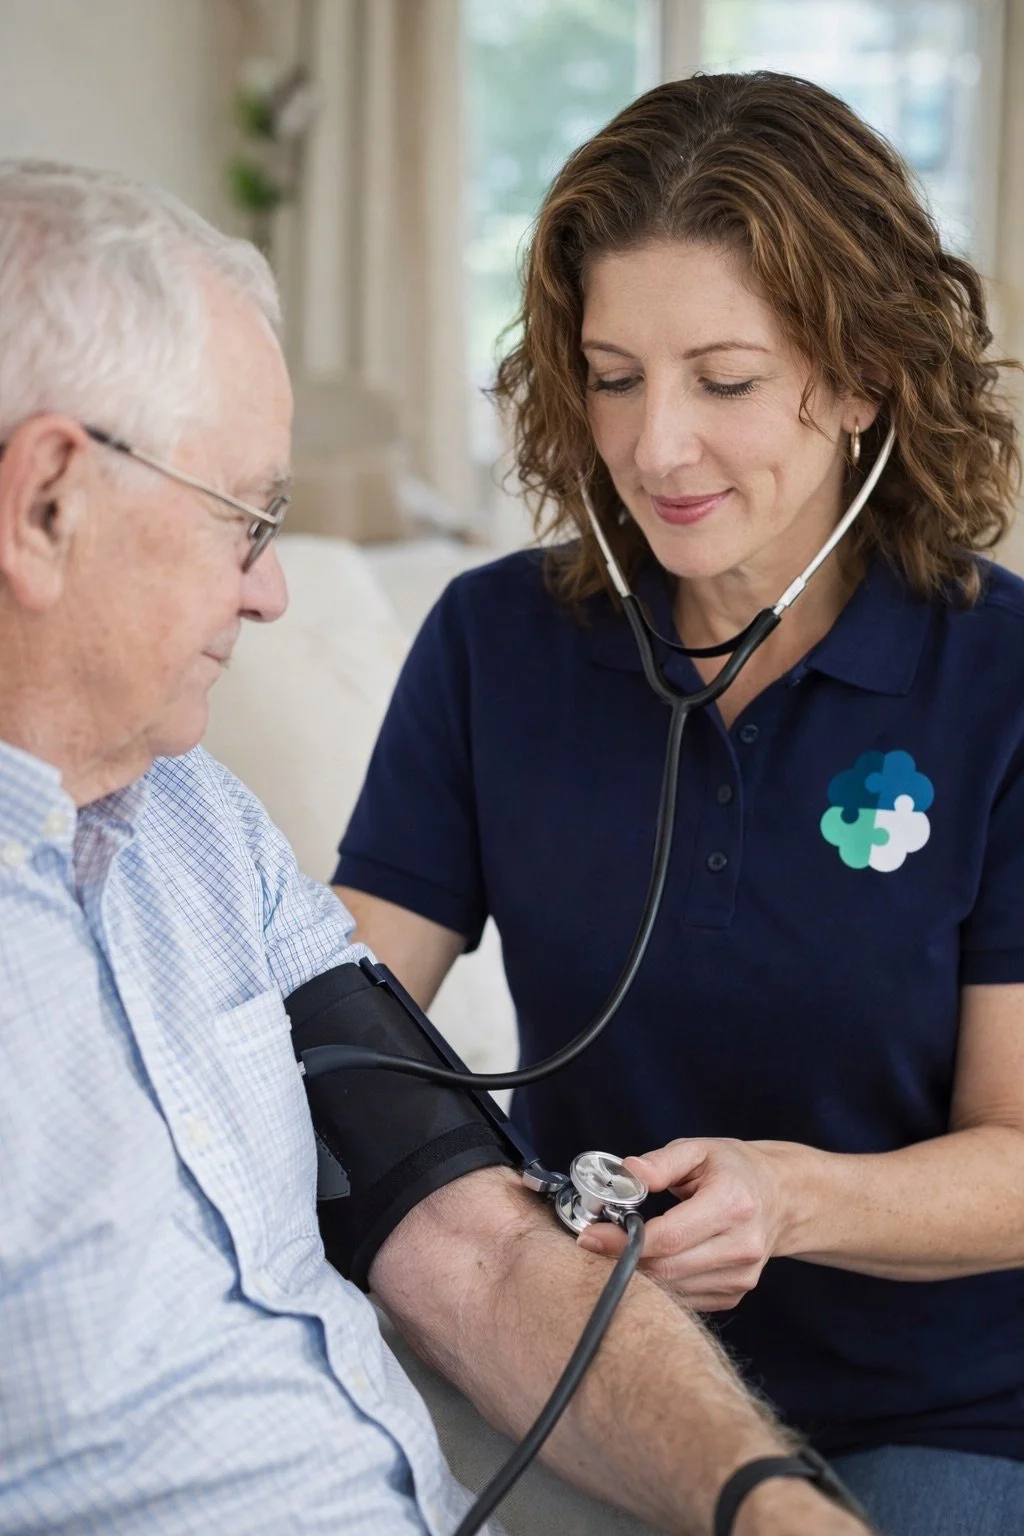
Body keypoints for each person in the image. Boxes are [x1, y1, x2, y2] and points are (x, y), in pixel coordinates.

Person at [0, 159, 874, 1536]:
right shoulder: (493, 644)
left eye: (724, 378)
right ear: (48, 501)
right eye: (247, 516)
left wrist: (767, 1506)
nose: (274, 588)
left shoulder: (198, 823)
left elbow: (467, 1239)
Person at [335, 71, 1024, 1536]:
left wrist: (787, 1199)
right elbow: (341, 1021)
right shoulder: (493, 642)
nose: (653, 448)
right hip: (591, 1376)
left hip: (938, 1411)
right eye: (612, 374)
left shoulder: (1004, 681)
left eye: (724, 379)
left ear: (860, 376)